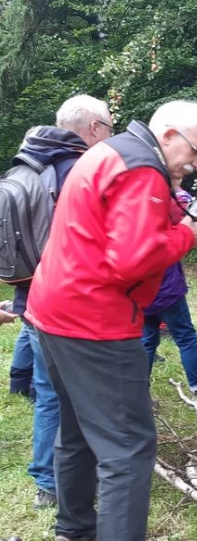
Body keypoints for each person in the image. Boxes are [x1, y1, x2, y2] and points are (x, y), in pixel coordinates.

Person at [25, 100, 197, 541]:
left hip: (51, 310)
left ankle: (74, 531)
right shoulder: (141, 170)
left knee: (76, 431)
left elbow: (121, 225)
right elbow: (131, 261)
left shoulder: (112, 150)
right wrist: (187, 235)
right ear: (168, 134)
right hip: (94, 321)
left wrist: (185, 217)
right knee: (128, 449)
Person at [8, 95, 114, 509]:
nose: (110, 134)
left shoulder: (26, 164)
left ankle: (46, 483)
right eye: (108, 126)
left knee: (49, 393)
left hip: (30, 295)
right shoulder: (81, 169)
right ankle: (94, 474)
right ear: (92, 128)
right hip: (73, 300)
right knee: (89, 392)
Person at [141, 182, 197, 408]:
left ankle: (139, 396)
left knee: (147, 339)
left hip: (141, 284)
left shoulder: (140, 194)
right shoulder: (177, 201)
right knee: (186, 336)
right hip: (166, 287)